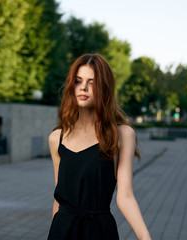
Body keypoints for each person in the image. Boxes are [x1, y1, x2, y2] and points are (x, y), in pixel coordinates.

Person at [47, 54, 151, 240]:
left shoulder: (122, 135)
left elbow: (125, 196)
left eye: (91, 82)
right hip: (62, 231)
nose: (83, 87)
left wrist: (145, 237)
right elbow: (58, 198)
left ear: (104, 88)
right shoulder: (57, 138)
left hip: (100, 231)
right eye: (78, 81)